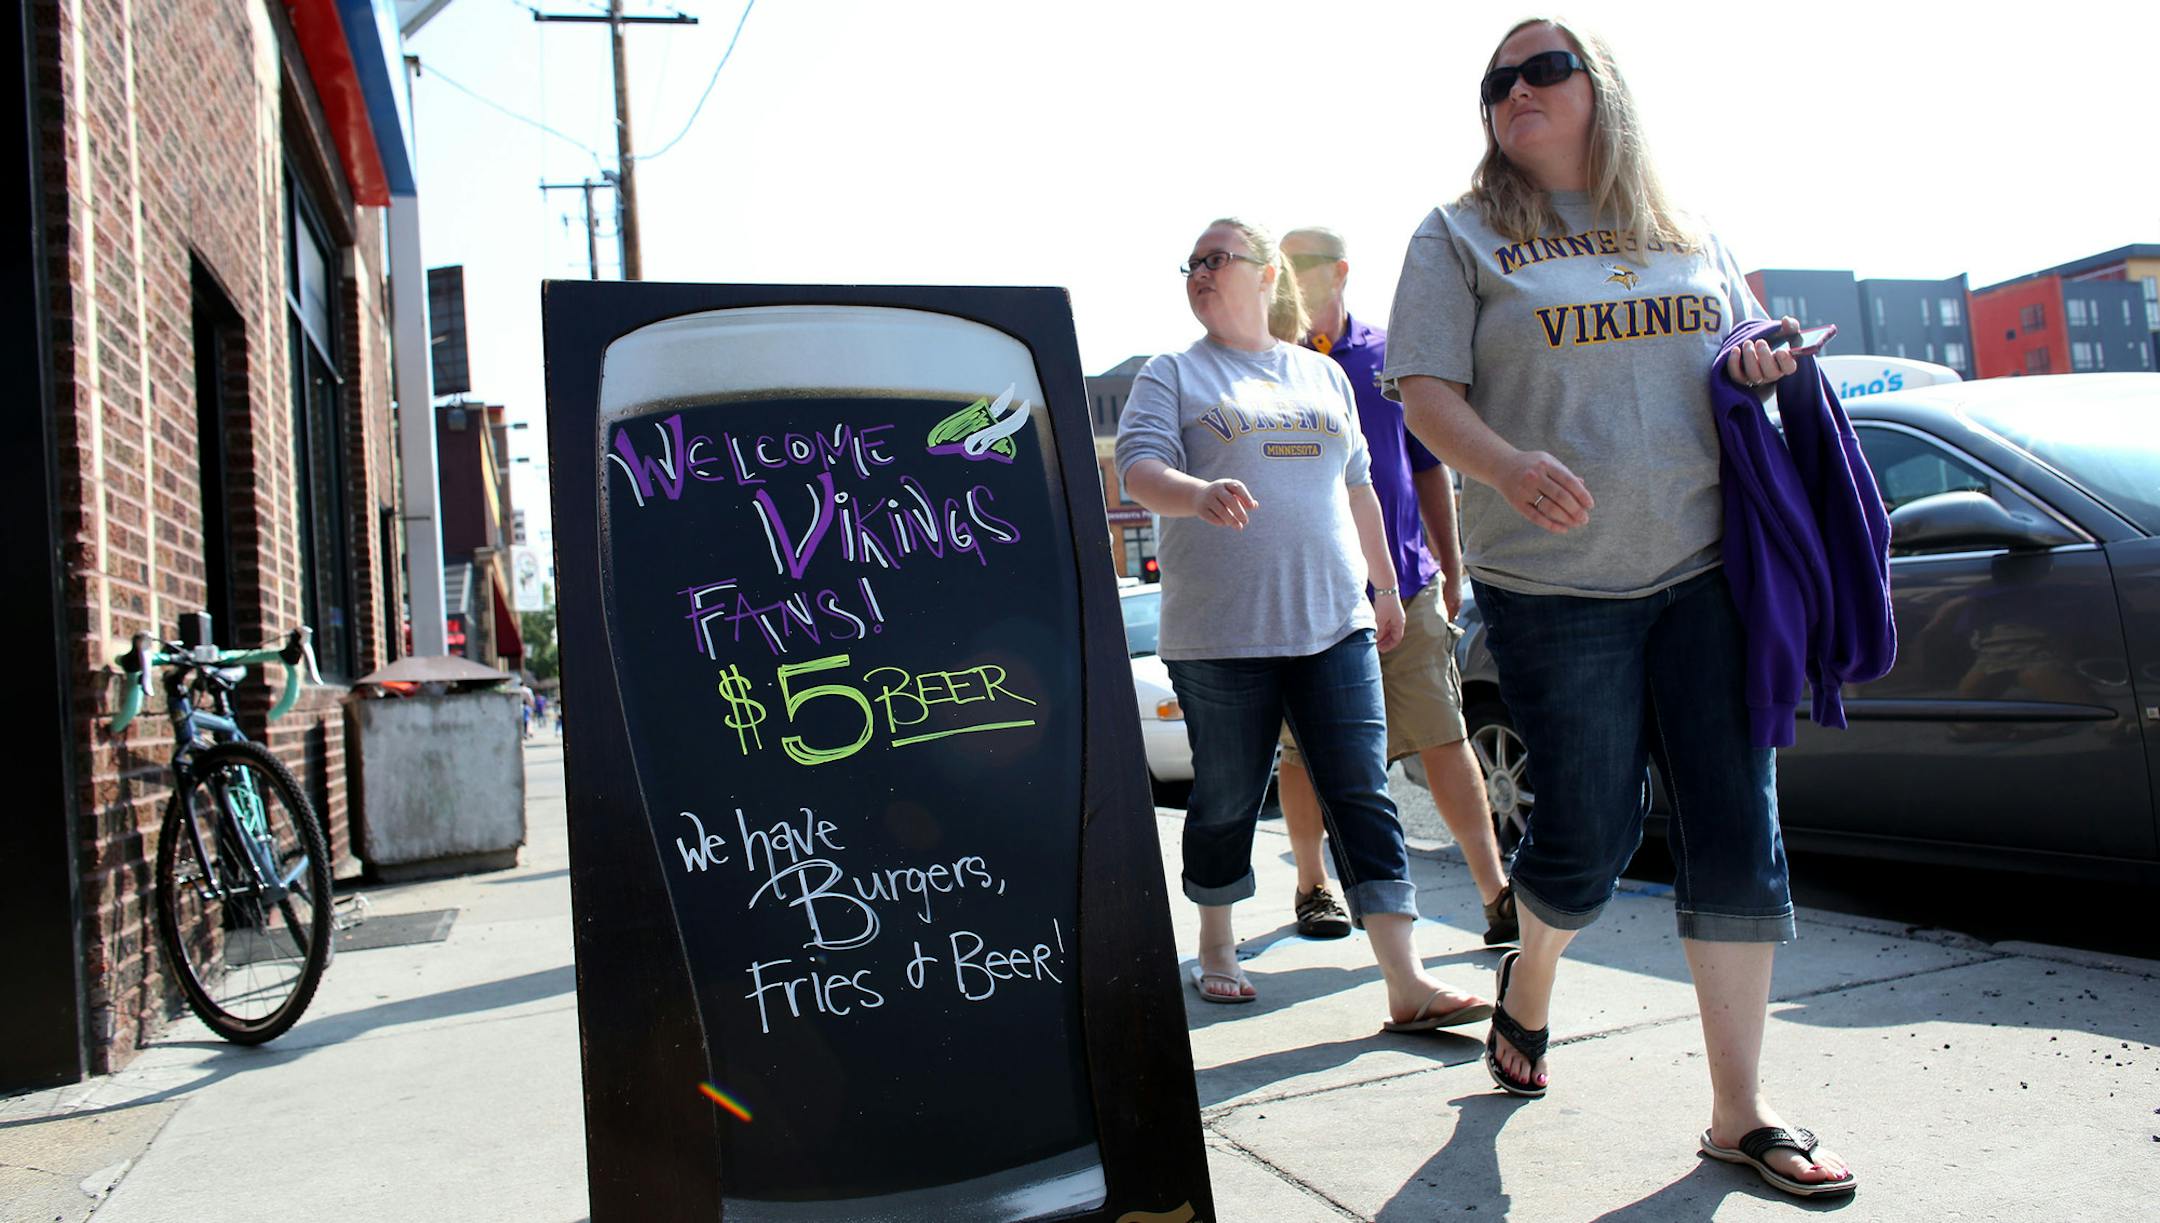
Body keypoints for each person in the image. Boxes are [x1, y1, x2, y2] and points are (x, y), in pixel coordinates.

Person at [1382, 17, 1857, 1198]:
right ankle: (1532, 977)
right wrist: (1502, 465)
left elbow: (1735, 343)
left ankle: (1739, 1112)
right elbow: (1423, 390)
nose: (1516, 90)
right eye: (1497, 80)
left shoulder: (1688, 226)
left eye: (1545, 68)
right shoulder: (1457, 234)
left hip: (1707, 569)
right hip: (1555, 586)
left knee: (1737, 825)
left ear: (1602, 89)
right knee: (1586, 836)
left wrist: (1759, 363)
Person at [1116, 217, 1491, 1033]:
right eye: (1194, 262)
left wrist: (1387, 585)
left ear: (1266, 276)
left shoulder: (1320, 377)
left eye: (1220, 258)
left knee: (1362, 790)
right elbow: (1137, 466)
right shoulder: (1171, 374)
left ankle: (1407, 978)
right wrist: (1196, 493)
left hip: (1336, 624)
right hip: (1222, 638)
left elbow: (1359, 485)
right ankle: (1217, 940)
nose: (1202, 271)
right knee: (1225, 797)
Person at [1271, 225, 1517, 947]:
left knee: (1444, 736)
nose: (1285, 280)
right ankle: (1314, 886)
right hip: (1311, 597)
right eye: (1276, 268)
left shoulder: (1388, 357)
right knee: (1302, 752)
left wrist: (1450, 563)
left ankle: (1495, 892)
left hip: (1405, 587)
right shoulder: (1266, 365)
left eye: (1299, 267)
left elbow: (1429, 467)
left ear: (1340, 271)